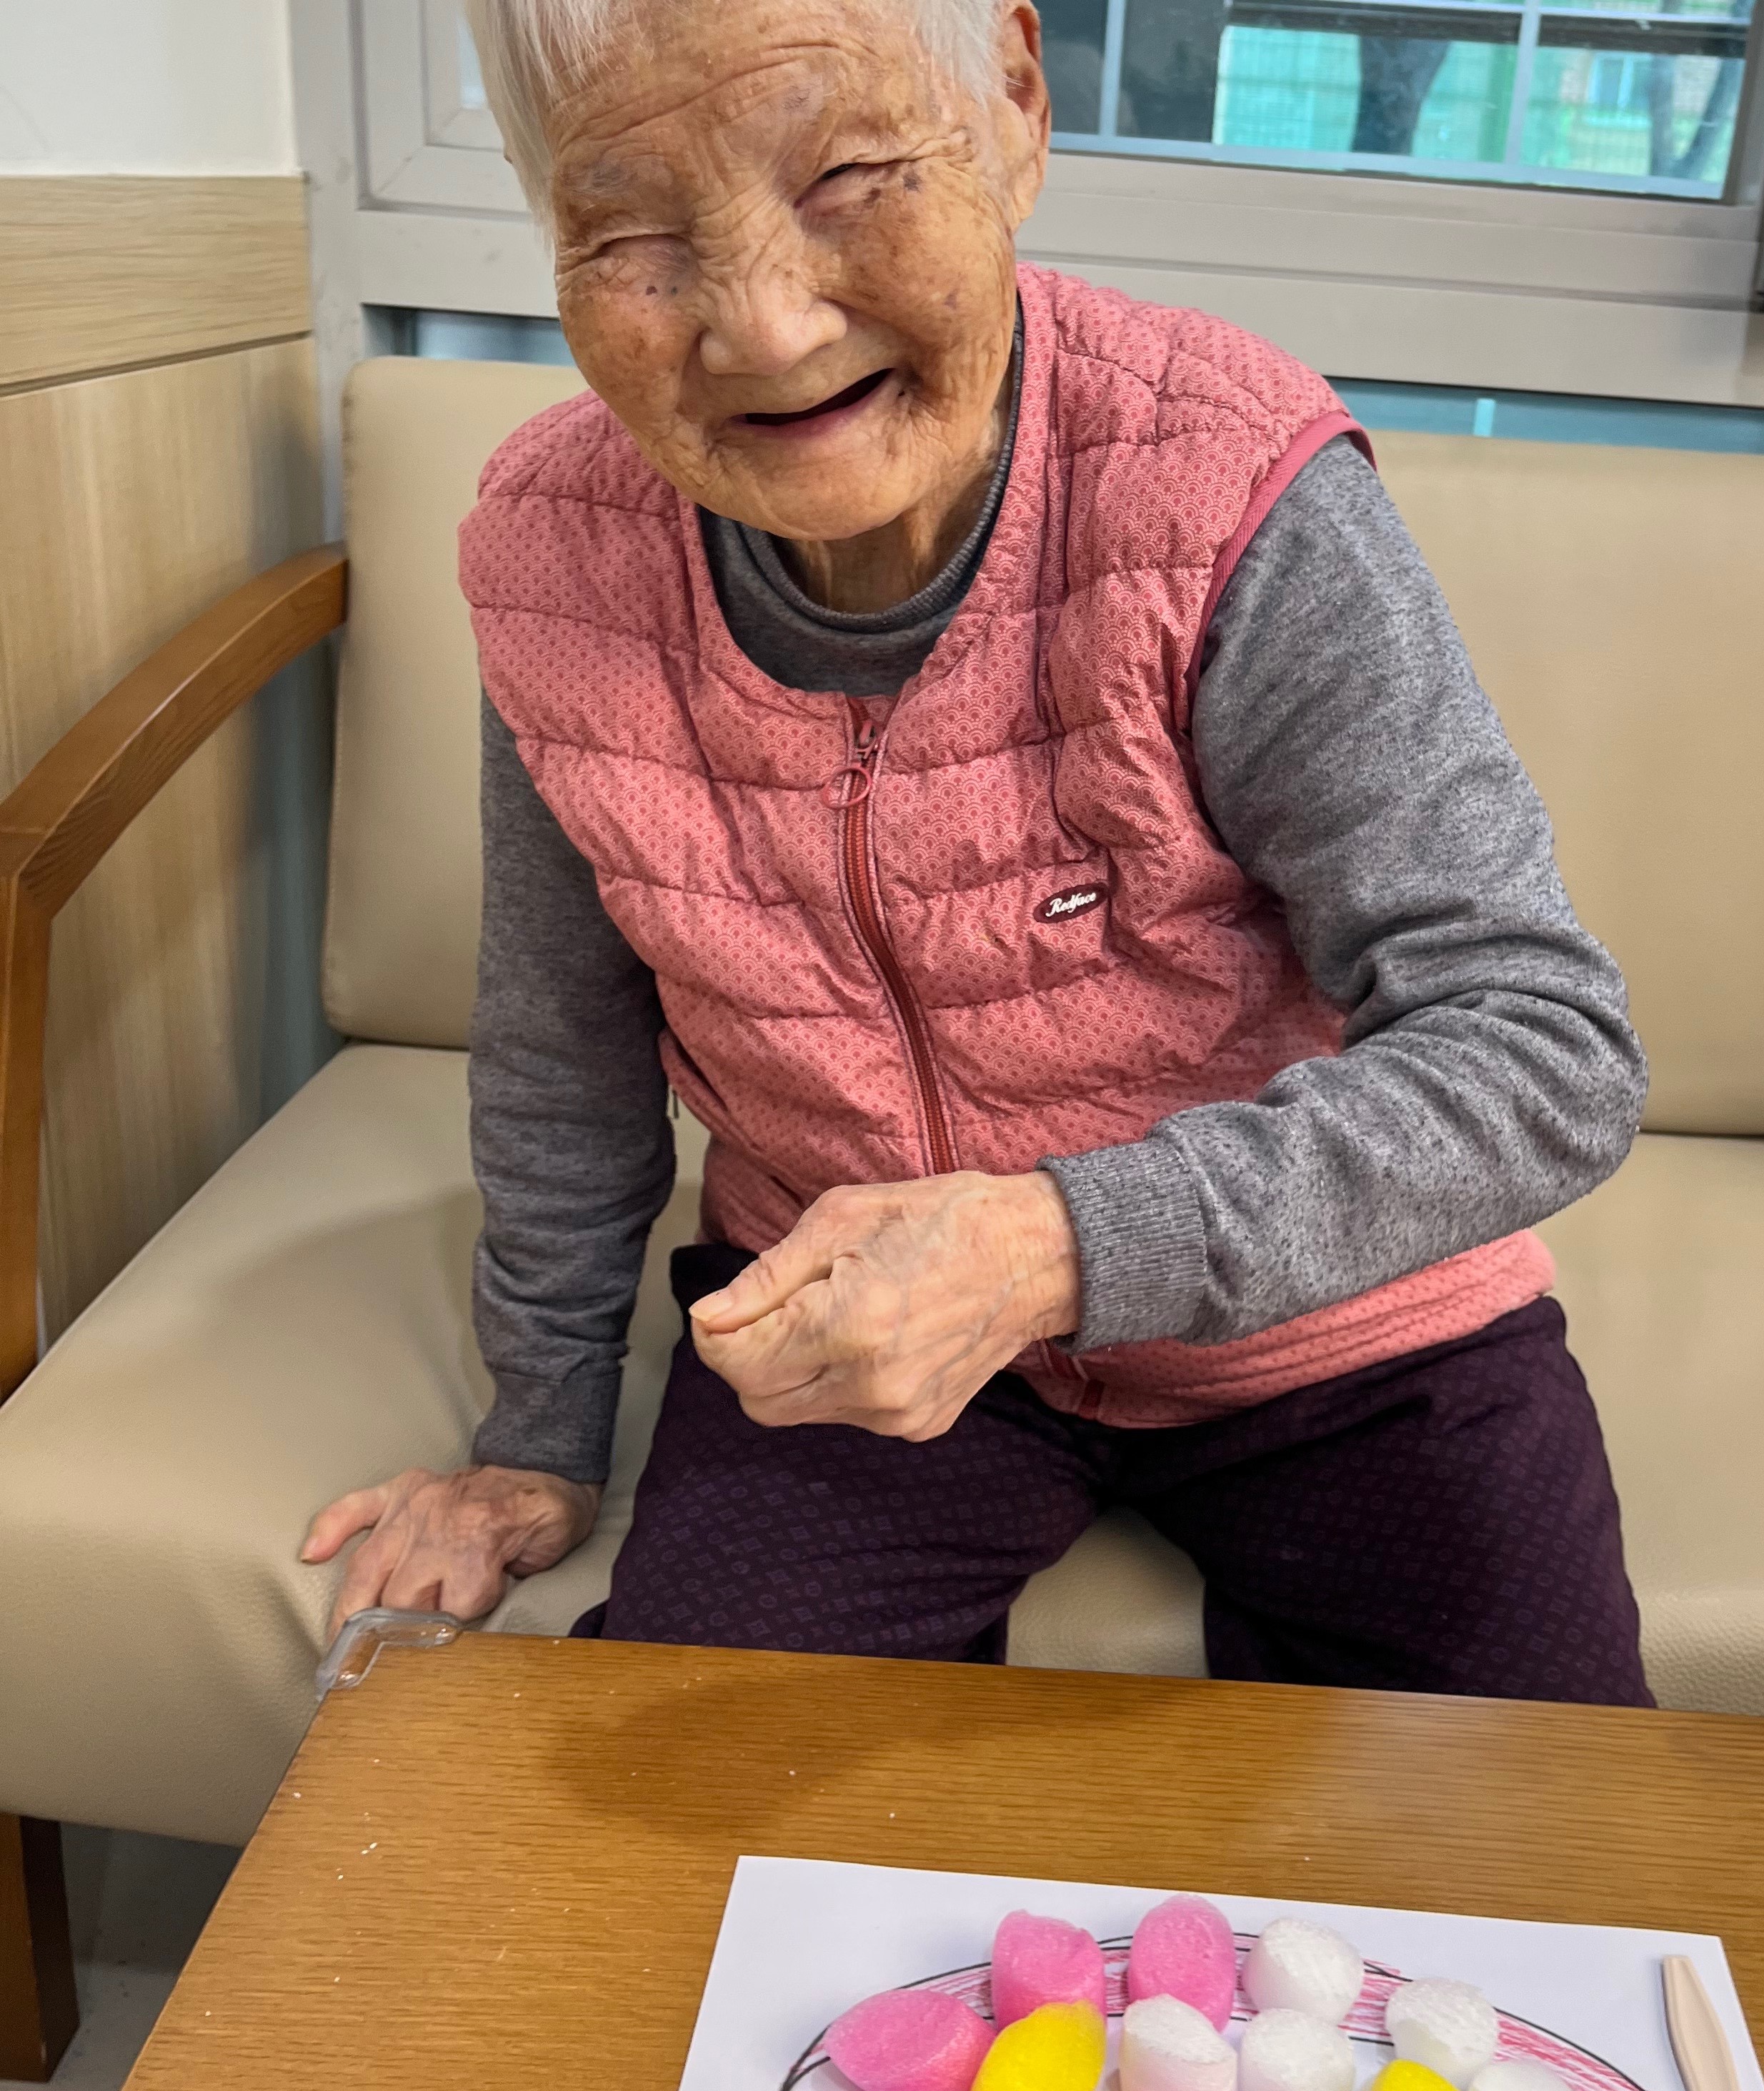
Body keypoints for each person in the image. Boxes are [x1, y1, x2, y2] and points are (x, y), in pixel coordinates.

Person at [302, 0, 1654, 1704]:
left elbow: (1544, 1049)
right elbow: (561, 1053)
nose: (767, 328)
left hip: (1339, 1333)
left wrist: (1050, 1247)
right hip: (844, 1323)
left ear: (1014, 102)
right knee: (667, 1798)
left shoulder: (1225, 480)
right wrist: (537, 1434)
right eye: (630, 235)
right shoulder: (558, 553)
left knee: (1532, 1826)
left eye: (847, 175)